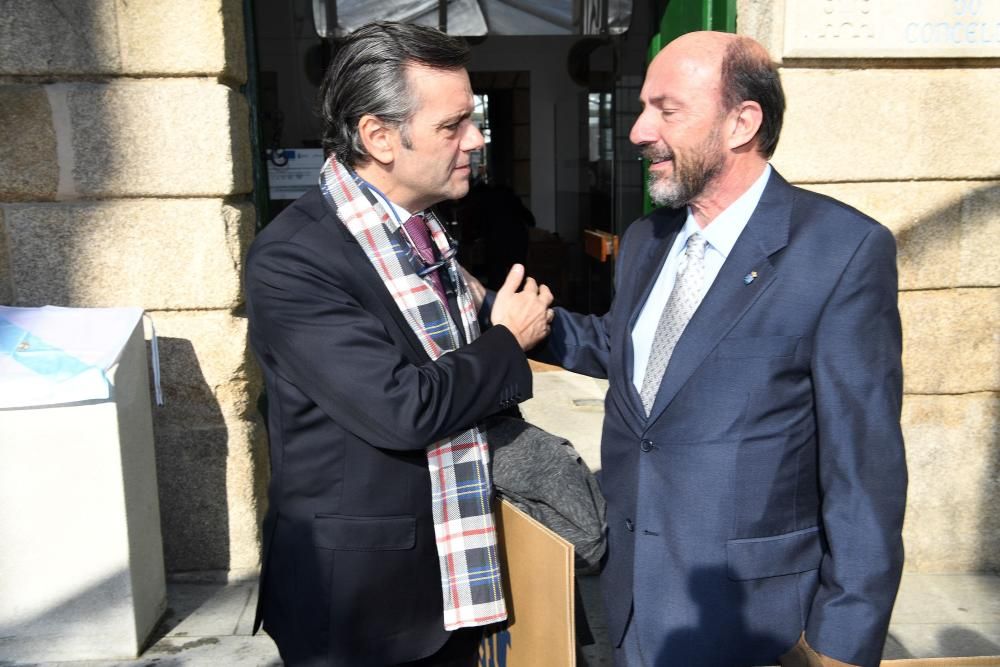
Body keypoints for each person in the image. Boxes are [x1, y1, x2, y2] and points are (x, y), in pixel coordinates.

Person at [535, 31, 907, 667]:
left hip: (755, 626)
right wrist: (499, 312)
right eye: (644, 108)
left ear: (743, 121)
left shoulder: (840, 252)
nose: (638, 131)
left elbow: (863, 475)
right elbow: (632, 351)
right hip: (632, 605)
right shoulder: (649, 239)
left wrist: (842, 644)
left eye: (666, 109)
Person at [244, 22, 553, 666]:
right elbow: (400, 408)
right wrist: (506, 340)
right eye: (453, 126)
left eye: (472, 120)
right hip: (362, 609)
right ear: (379, 137)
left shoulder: (421, 231)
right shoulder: (295, 257)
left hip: (447, 578)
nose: (476, 139)